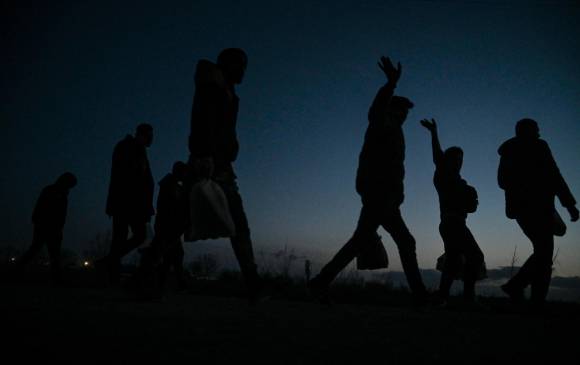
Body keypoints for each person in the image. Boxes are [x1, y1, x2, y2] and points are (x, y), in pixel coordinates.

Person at [308, 56, 427, 304]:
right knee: (404, 241)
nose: (405, 115)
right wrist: (390, 85)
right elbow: (375, 113)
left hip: (385, 196)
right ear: (393, 109)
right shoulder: (383, 124)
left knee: (360, 241)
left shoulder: (396, 130)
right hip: (379, 195)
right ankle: (420, 295)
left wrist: (398, 194)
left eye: (406, 112)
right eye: (402, 110)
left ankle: (320, 281)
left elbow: (395, 168)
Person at [188, 48, 264, 301]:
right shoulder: (213, 84)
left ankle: (253, 284)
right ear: (227, 64)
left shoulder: (229, 93)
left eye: (245, 65)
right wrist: (204, 154)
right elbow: (202, 118)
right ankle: (253, 284)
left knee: (183, 219)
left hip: (218, 162)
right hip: (209, 161)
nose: (243, 70)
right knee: (238, 223)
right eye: (240, 64)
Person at [498, 118, 578, 305]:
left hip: (524, 208)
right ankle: (522, 290)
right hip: (536, 207)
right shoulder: (538, 146)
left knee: (543, 252)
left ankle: (529, 295)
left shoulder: (509, 151)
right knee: (544, 252)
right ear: (528, 131)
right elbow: (554, 174)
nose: (539, 133)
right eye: (536, 130)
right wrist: (569, 205)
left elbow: (502, 181)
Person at [420, 118, 485, 306]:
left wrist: (471, 199)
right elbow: (437, 157)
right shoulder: (444, 174)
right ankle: (467, 298)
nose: (459, 162)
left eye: (461, 160)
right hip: (451, 223)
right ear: (448, 160)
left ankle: (443, 297)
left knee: (454, 260)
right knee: (474, 256)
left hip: (455, 223)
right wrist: (434, 133)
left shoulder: (460, 182)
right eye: (455, 159)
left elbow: (469, 208)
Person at [101, 123, 155, 284]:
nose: (152, 140)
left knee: (129, 237)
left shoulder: (138, 150)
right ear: (142, 134)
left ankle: (109, 267)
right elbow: (126, 177)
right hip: (126, 202)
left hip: (132, 203)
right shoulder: (127, 147)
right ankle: (111, 270)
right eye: (150, 136)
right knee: (128, 236)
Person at [17, 172, 77, 284]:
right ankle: (55, 279)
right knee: (49, 252)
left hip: (49, 226)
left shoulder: (55, 191)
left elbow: (57, 212)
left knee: (46, 251)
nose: (70, 187)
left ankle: (18, 269)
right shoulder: (55, 192)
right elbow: (47, 209)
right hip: (47, 226)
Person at [140, 161, 189, 290]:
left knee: (173, 255)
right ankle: (141, 282)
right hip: (167, 227)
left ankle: (162, 285)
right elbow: (174, 206)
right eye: (184, 173)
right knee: (161, 255)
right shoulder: (171, 185)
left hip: (168, 226)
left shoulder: (171, 184)